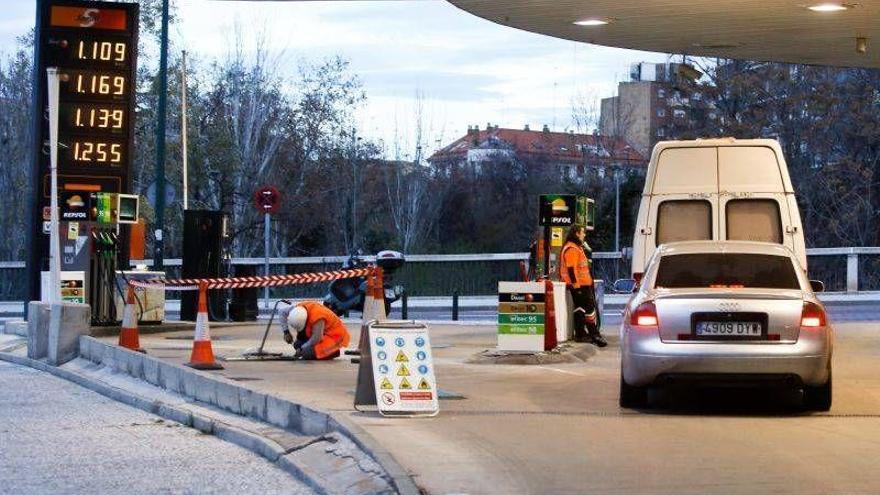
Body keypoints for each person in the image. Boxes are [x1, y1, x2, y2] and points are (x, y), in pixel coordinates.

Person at [560, 225, 607, 347]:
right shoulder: (572, 249)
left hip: (582, 284)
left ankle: (582, 333)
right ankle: (593, 334)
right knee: (589, 309)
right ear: (576, 233)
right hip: (579, 285)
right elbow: (571, 269)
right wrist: (576, 287)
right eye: (582, 232)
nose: (584, 235)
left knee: (581, 308)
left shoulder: (576, 247)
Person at [279, 301, 351, 360]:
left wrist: (301, 349)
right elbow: (281, 312)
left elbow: (316, 338)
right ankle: (316, 350)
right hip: (322, 333)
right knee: (297, 344)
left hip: (335, 336)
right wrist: (286, 332)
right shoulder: (297, 309)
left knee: (306, 353)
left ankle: (334, 351)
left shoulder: (318, 317)